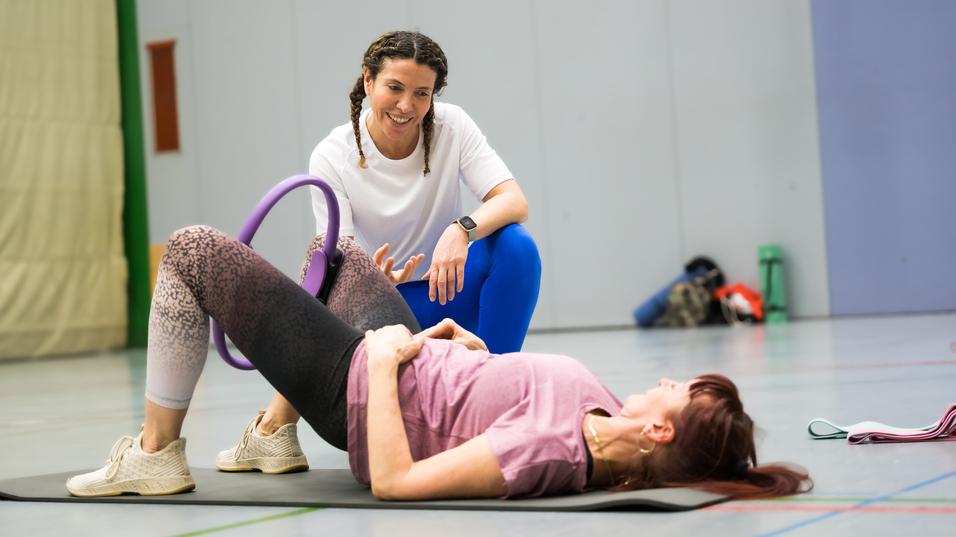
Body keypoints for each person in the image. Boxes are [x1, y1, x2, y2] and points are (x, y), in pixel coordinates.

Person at [66, 226, 811, 500]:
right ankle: (267, 434)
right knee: (337, 254)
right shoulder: (607, 406)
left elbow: (395, 480)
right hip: (415, 355)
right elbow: (494, 393)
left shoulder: (546, 453)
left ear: (658, 436)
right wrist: (461, 349)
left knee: (194, 252)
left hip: (361, 389)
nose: (670, 379)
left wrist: (387, 366)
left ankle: (156, 456)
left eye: (678, 392)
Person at [229, 29, 542, 473]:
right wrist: (369, 282)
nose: (406, 106)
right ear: (368, 80)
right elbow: (337, 252)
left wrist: (461, 228)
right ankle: (273, 430)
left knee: (516, 247)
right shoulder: (333, 154)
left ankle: (488, 408)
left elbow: (514, 201)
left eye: (422, 94)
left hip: (445, 291)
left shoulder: (452, 127)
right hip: (379, 313)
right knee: (324, 267)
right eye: (394, 87)